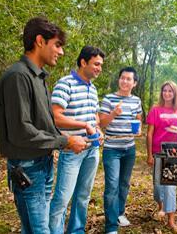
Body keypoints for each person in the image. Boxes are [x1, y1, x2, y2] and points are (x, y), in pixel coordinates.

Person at [0, 17, 87, 234]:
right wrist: (65, 141)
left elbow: (42, 125)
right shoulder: (18, 76)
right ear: (39, 41)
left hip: (42, 163)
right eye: (57, 45)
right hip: (28, 168)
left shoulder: (38, 76)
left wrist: (67, 136)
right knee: (40, 230)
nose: (61, 52)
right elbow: (21, 132)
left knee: (34, 228)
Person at [49, 46, 105, 233]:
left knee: (83, 196)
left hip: (92, 149)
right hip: (72, 150)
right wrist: (84, 125)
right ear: (83, 62)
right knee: (63, 198)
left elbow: (94, 116)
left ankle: (76, 230)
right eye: (96, 64)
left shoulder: (93, 88)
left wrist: (97, 128)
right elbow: (55, 116)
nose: (99, 68)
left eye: (101, 65)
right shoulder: (65, 84)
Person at [99, 67, 142, 234]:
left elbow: (138, 121)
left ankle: (120, 212)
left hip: (129, 149)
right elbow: (102, 123)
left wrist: (138, 130)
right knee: (112, 186)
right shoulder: (109, 99)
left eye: (128, 79)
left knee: (124, 184)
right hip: (112, 149)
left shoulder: (136, 101)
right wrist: (113, 114)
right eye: (122, 78)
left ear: (134, 83)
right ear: (119, 80)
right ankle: (111, 226)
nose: (125, 81)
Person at [146, 81, 177, 234]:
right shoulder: (155, 110)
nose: (167, 93)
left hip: (174, 152)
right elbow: (149, 133)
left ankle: (171, 220)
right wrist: (149, 154)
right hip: (158, 151)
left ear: (175, 93)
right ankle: (161, 206)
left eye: (170, 91)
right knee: (158, 185)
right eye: (165, 91)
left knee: (170, 186)